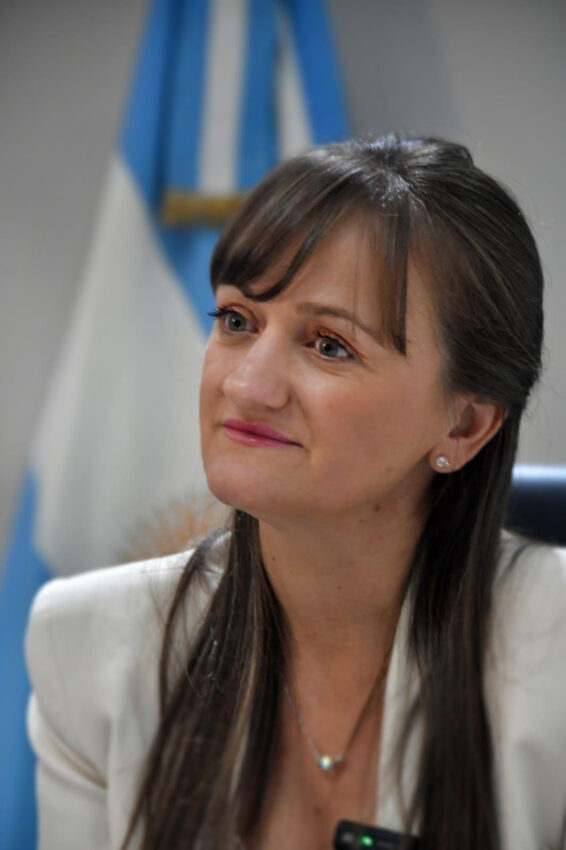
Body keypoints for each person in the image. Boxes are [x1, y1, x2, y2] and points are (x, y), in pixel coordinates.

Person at [25, 135, 566, 850]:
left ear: (464, 425)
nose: (247, 385)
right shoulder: (87, 645)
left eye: (329, 345)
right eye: (237, 321)